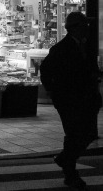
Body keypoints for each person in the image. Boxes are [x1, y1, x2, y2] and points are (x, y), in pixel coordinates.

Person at [40, 12, 102, 189]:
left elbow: (90, 70)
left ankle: (65, 159)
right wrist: (54, 92)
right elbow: (45, 71)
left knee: (88, 134)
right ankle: (70, 171)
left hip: (88, 99)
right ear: (75, 28)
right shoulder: (61, 49)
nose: (87, 29)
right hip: (69, 100)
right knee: (74, 134)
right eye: (84, 26)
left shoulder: (86, 47)